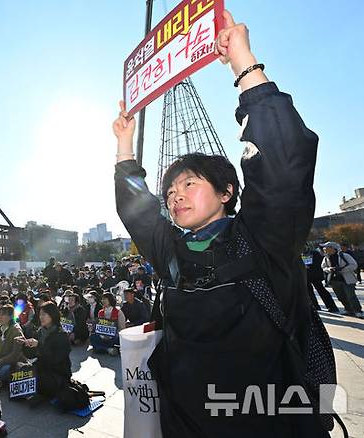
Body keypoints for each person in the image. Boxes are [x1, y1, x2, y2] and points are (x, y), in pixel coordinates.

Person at [113, 10, 338, 437]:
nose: (175, 195)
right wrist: (125, 147)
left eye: (190, 183)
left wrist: (243, 64)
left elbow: (282, 166)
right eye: (171, 189)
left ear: (227, 193)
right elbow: (137, 211)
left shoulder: (261, 239)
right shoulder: (173, 255)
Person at [18, 301, 72, 399]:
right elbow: (32, 355)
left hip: (57, 373)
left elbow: (55, 359)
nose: (41, 317)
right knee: (21, 372)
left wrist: (39, 345)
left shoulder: (61, 334)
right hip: (42, 368)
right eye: (40, 314)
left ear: (52, 315)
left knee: (40, 380)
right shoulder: (40, 331)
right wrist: (26, 344)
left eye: (44, 314)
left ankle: (39, 394)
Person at [0, 305, 27, 386]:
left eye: (3, 315)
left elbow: (15, 354)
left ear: (10, 317)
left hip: (11, 363)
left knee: (2, 371)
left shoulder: (16, 330)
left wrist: (0, 362)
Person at [321, 242, 362, 317]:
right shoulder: (326, 258)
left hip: (347, 279)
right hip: (334, 280)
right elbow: (323, 267)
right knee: (340, 296)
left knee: (351, 296)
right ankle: (348, 309)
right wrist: (329, 269)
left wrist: (342, 269)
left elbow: (354, 265)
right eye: (324, 248)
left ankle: (357, 311)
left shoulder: (344, 255)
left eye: (326, 247)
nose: (324, 249)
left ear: (333, 248)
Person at [306, 247, 339, 313]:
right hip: (306, 276)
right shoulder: (302, 254)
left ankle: (331, 307)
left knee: (321, 291)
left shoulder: (314, 253)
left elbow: (319, 265)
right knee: (310, 292)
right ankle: (315, 306)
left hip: (314, 276)